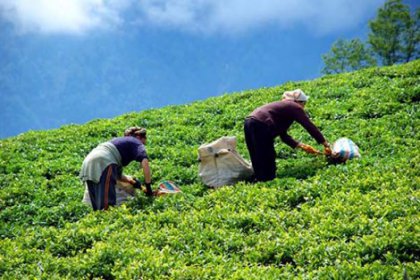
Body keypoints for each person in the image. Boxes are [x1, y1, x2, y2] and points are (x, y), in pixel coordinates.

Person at [244, 89, 332, 182]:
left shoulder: (285, 108)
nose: (304, 107)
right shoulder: (294, 107)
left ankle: (260, 179)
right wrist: (324, 143)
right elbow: (309, 126)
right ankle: (268, 181)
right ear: (299, 102)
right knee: (268, 155)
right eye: (304, 103)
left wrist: (301, 146)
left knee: (256, 153)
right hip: (261, 124)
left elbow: (283, 136)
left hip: (249, 122)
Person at [80, 127, 153, 210]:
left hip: (88, 162)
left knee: (97, 205)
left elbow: (118, 176)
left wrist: (133, 181)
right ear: (140, 137)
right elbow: (145, 162)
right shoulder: (136, 142)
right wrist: (148, 188)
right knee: (107, 205)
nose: (143, 145)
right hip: (104, 161)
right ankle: (108, 217)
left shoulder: (117, 145)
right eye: (144, 142)